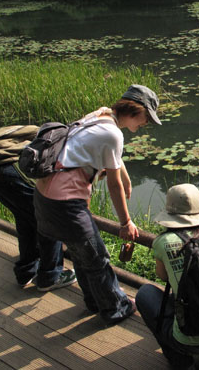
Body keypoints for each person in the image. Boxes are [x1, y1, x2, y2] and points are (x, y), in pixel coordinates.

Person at [33, 84, 162, 326]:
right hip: (65, 203)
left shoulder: (101, 114)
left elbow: (111, 157)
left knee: (82, 255)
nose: (146, 124)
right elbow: (113, 186)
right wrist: (125, 222)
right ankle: (116, 308)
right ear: (136, 110)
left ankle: (95, 301)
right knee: (96, 257)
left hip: (45, 195)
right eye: (147, 118)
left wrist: (126, 176)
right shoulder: (114, 134)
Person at [135, 183, 199, 369]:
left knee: (145, 294)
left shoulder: (163, 242)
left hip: (187, 339)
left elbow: (163, 277)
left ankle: (180, 360)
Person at [0, 126, 76, 290]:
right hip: (14, 174)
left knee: (25, 222)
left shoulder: (47, 133)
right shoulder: (66, 139)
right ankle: (50, 276)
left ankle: (26, 271)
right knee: (49, 222)